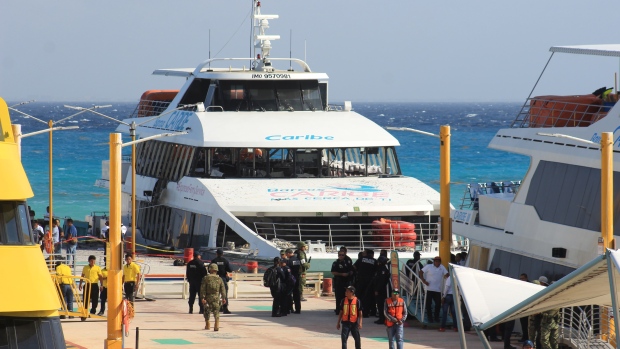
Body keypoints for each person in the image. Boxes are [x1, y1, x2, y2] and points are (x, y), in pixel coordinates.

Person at [419, 256, 447, 323]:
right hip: (429, 288)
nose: (437, 262)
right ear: (434, 261)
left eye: (438, 261)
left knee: (438, 304)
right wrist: (424, 280)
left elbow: (447, 275)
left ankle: (436, 317)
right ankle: (430, 318)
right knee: (428, 304)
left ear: (440, 262)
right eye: (436, 261)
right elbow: (421, 272)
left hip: (438, 289)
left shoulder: (442, 267)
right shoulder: (429, 266)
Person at [201, 263, 227, 331]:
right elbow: (223, 289)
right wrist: (224, 298)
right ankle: (216, 325)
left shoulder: (206, 278)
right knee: (216, 311)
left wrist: (202, 298)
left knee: (207, 311)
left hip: (208, 297)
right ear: (216, 270)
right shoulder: (219, 279)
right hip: (216, 297)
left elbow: (203, 289)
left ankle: (208, 324)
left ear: (210, 270)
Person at [353, 249, 376, 318]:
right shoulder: (374, 261)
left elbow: (354, 266)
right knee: (368, 297)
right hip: (370, 282)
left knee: (359, 296)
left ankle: (357, 311)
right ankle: (366, 312)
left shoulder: (361, 259)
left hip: (360, 280)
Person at [211, 248, 233, 314]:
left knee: (215, 294)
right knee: (224, 294)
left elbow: (210, 269)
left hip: (215, 279)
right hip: (223, 279)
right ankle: (225, 308)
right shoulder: (225, 261)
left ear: (216, 254)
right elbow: (230, 270)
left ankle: (215, 308)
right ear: (222, 254)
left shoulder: (214, 261)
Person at [332, 249, 354, 315]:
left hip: (347, 282)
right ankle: (338, 310)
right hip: (339, 282)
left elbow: (352, 270)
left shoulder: (348, 262)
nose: (341, 256)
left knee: (347, 297)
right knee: (338, 297)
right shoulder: (336, 263)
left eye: (342, 255)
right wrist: (342, 274)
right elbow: (333, 272)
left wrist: (350, 273)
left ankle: (346, 310)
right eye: (340, 255)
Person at [373, 256, 391, 325]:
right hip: (380, 289)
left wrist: (377, 290)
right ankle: (381, 318)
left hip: (381, 290)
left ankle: (382, 319)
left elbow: (381, 281)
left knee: (381, 305)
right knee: (380, 304)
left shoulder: (382, 270)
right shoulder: (380, 269)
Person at [286, 248, 302, 313]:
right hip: (297, 278)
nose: (286, 256)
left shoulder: (289, 261)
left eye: (287, 254)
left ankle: (290, 308)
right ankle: (298, 309)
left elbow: (288, 271)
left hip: (291, 279)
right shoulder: (298, 260)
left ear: (289, 253)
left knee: (289, 294)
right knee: (297, 294)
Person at [518, 273, 530, 342]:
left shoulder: (528, 285)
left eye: (522, 278)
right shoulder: (521, 286)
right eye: (520, 278)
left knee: (526, 325)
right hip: (522, 309)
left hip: (527, 309)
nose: (521, 280)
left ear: (526, 278)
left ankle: (526, 337)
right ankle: (524, 337)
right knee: (523, 324)